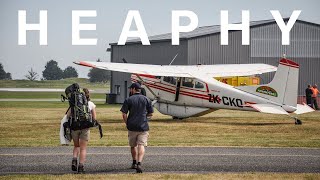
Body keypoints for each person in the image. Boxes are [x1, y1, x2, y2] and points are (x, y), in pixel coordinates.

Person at [120, 82, 154, 173]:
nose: (130, 90)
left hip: (132, 126)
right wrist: (145, 119)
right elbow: (150, 113)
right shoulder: (147, 99)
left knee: (133, 146)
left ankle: (134, 162)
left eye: (131, 89)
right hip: (143, 126)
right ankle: (139, 163)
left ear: (134, 89)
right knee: (141, 145)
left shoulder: (128, 99)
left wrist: (127, 123)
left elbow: (124, 113)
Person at [68, 88, 96, 173]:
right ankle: (81, 167)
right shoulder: (90, 104)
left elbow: (68, 115)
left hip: (75, 127)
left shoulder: (74, 104)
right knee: (83, 148)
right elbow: (94, 117)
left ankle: (74, 159)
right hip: (85, 128)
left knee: (76, 146)